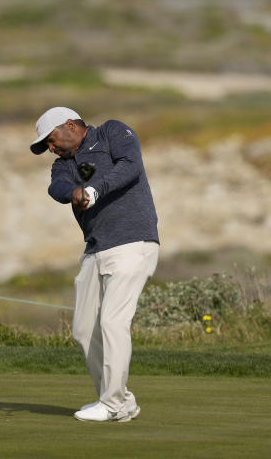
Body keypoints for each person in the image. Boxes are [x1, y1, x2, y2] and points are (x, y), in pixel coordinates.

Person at [30, 106, 159, 422]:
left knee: (113, 323)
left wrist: (94, 189)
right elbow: (56, 189)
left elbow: (131, 165)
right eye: (45, 145)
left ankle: (112, 404)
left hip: (133, 242)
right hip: (95, 250)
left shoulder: (111, 132)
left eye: (50, 139)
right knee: (84, 329)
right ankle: (121, 400)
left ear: (70, 125)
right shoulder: (63, 165)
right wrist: (75, 191)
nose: (50, 147)